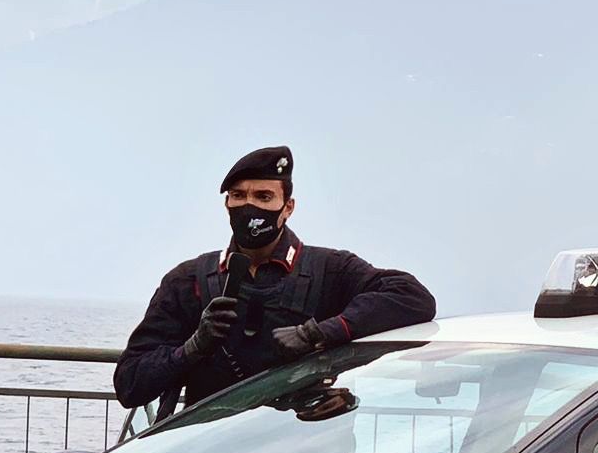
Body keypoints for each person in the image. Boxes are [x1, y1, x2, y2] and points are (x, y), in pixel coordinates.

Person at [114, 146, 436, 415]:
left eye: (264, 196)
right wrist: (192, 348)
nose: (249, 206)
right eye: (238, 196)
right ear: (226, 204)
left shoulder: (330, 270)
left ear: (287, 208)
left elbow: (412, 297)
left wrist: (317, 334)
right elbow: (129, 384)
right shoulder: (188, 281)